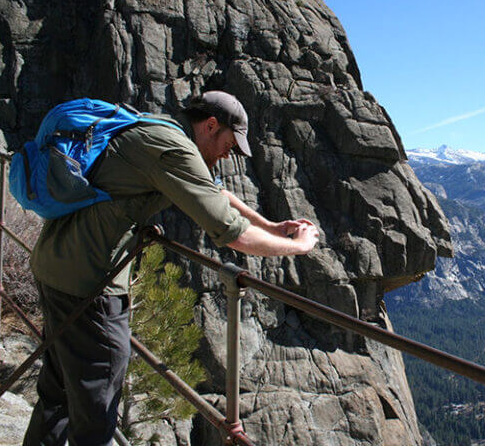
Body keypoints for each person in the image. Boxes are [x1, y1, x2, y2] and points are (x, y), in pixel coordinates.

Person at [23, 91, 319, 445]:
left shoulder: (158, 129)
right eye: (231, 142)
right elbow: (231, 234)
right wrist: (296, 247)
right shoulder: (174, 150)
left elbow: (217, 192)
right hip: (91, 287)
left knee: (57, 393)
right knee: (96, 410)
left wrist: (271, 226)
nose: (232, 153)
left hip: (55, 265)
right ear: (211, 126)